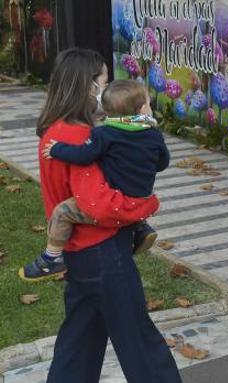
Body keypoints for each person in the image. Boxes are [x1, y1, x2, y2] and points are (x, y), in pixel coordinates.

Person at [37, 48, 180, 383]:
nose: (107, 88)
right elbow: (99, 206)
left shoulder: (56, 131)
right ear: (90, 87)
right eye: (104, 80)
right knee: (139, 342)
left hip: (79, 253)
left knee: (79, 342)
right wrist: (147, 206)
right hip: (102, 251)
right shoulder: (81, 136)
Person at [21, 80, 167, 281]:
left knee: (62, 213)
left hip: (115, 200)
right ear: (142, 108)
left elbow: (83, 155)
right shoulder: (154, 134)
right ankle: (138, 226)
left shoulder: (104, 134)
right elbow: (162, 163)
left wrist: (57, 149)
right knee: (131, 197)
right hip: (141, 196)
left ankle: (52, 258)